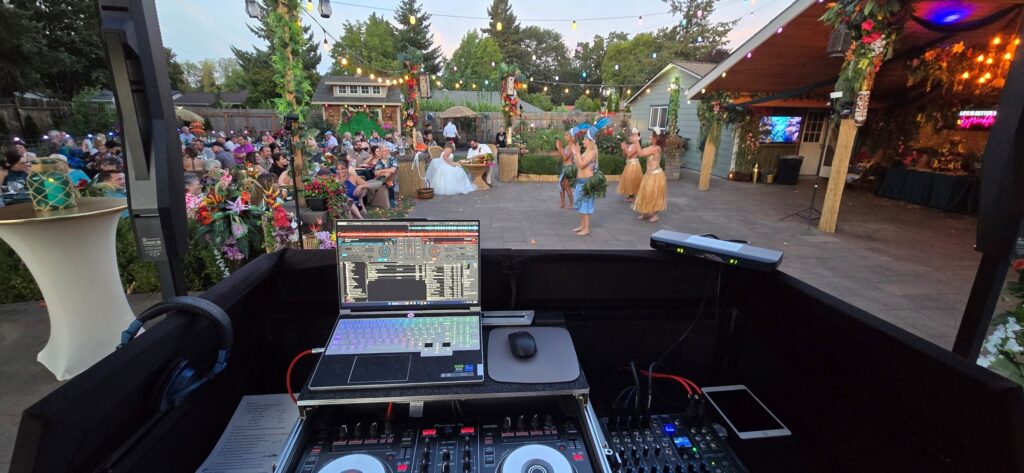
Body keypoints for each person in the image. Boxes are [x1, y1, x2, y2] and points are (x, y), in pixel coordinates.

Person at [569, 119, 610, 237]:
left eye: (585, 140)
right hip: (581, 182)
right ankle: (582, 226)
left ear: (590, 141)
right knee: (581, 205)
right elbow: (578, 164)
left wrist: (576, 153)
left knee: (585, 206)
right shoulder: (586, 151)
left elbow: (581, 165)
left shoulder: (592, 152)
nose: (583, 141)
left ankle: (586, 229)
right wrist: (576, 153)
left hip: (587, 182)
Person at [633, 131, 668, 222]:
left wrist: (636, 142)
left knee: (654, 194)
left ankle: (656, 215)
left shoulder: (656, 148)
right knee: (644, 192)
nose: (650, 136)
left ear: (655, 138)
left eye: (652, 135)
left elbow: (640, 154)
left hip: (655, 176)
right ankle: (644, 212)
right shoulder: (652, 147)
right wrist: (636, 143)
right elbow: (641, 151)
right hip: (649, 174)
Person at [618, 129, 643, 202]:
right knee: (629, 180)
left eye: (633, 135)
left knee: (633, 179)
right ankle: (630, 195)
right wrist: (624, 148)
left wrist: (625, 148)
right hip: (629, 164)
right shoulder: (631, 145)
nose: (631, 137)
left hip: (634, 165)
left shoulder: (636, 146)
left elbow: (629, 154)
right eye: (631, 135)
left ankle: (633, 195)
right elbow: (625, 154)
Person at [554, 132, 575, 209]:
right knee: (561, 185)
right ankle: (562, 203)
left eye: (566, 135)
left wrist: (561, 147)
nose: (564, 137)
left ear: (571, 137)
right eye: (564, 135)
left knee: (566, 186)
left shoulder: (572, 146)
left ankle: (571, 204)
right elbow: (563, 156)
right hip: (564, 167)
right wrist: (559, 147)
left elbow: (566, 158)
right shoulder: (567, 146)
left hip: (568, 168)